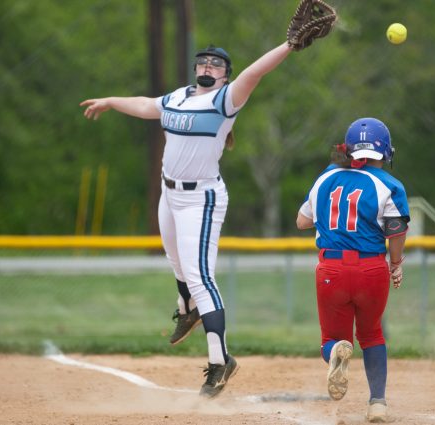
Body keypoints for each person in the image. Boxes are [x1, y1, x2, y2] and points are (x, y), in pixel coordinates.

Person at [80, 41, 298, 398]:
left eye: (216, 64)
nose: (208, 66)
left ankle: (220, 362)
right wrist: (110, 102)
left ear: (226, 74)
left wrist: (289, 45)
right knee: (177, 264)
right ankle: (187, 309)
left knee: (200, 278)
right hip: (170, 194)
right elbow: (145, 105)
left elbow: (255, 72)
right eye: (203, 61)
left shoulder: (225, 101)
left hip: (201, 198)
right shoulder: (178, 98)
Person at [296, 117, 410, 423]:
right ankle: (377, 403)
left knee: (331, 338)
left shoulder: (327, 177)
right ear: (385, 152)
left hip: (331, 267)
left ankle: (335, 352)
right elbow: (396, 230)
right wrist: (396, 263)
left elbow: (301, 222)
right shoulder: (389, 185)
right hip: (371, 268)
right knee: (372, 334)